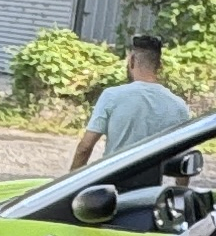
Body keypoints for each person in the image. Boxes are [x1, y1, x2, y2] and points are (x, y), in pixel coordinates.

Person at [74, 33, 196, 169]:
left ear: (131, 60)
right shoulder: (178, 106)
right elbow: (185, 158)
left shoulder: (112, 96)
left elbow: (85, 148)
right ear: (159, 66)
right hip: (151, 188)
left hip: (112, 182)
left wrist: (71, 184)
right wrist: (181, 189)